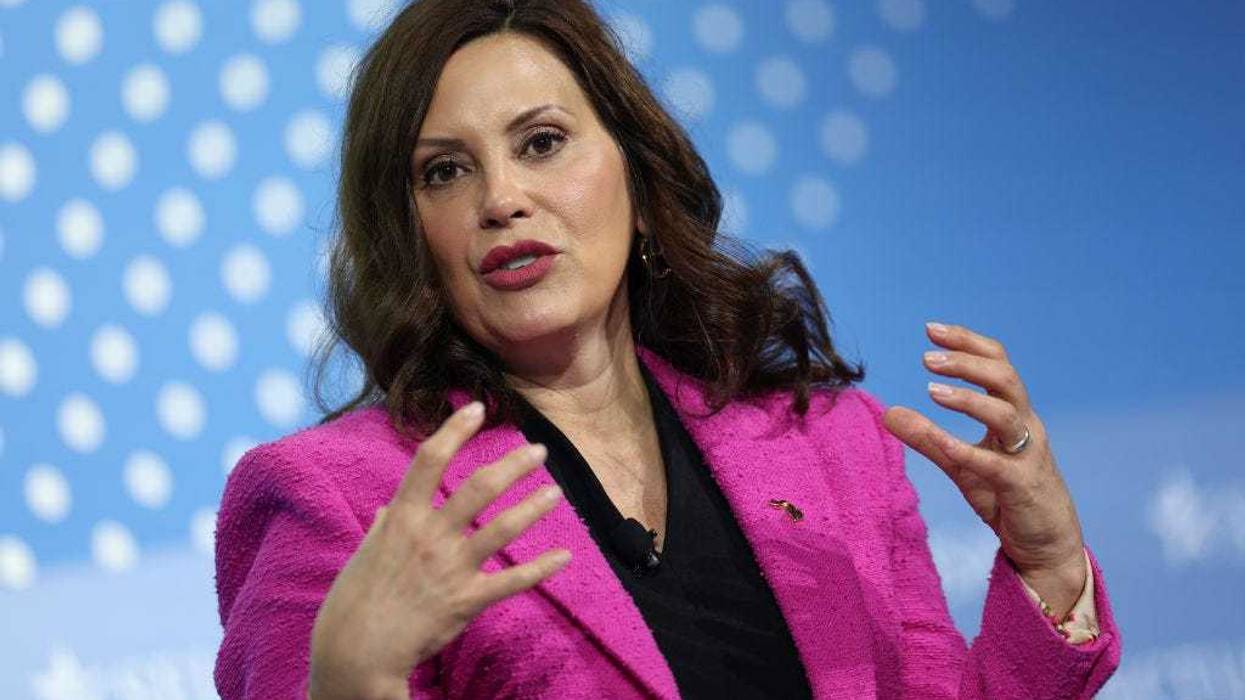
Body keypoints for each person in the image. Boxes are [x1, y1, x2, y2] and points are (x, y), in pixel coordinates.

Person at [212, 0, 1122, 698]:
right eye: (443, 171)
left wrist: (1048, 570)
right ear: (406, 232)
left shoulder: (827, 443)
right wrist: (349, 684)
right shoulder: (335, 500)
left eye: (541, 143)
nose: (502, 199)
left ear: (638, 181)